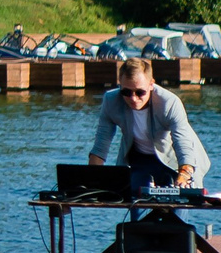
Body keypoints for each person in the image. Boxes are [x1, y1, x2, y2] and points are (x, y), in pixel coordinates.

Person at [88, 57, 208, 190]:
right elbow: (101, 145)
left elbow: (183, 143)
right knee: (133, 199)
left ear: (151, 85)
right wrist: (92, 181)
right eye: (126, 92)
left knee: (175, 206)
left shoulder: (169, 103)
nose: (133, 98)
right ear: (120, 85)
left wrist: (184, 175)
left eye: (140, 92)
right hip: (140, 160)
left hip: (174, 161)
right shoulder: (111, 101)